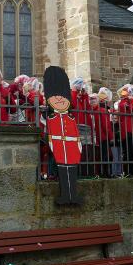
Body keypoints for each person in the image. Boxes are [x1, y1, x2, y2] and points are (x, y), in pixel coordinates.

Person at [43, 66, 82, 205]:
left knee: (71, 174)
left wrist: (78, 148)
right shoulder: (52, 118)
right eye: (55, 96)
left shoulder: (70, 118)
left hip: (71, 150)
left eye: (62, 96)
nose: (59, 99)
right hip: (60, 149)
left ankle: (73, 196)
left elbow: (76, 134)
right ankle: (66, 195)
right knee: (63, 174)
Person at [71, 77, 93, 177]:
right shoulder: (72, 95)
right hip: (76, 127)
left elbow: (87, 108)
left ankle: (85, 172)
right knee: (77, 150)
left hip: (85, 127)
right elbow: (73, 105)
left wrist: (84, 96)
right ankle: (78, 172)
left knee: (85, 150)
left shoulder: (81, 98)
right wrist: (75, 92)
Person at [89, 90, 113, 178]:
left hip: (95, 137)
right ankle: (105, 173)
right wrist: (111, 137)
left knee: (98, 156)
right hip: (103, 137)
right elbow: (106, 125)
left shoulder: (90, 111)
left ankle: (99, 173)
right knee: (106, 156)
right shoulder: (102, 110)